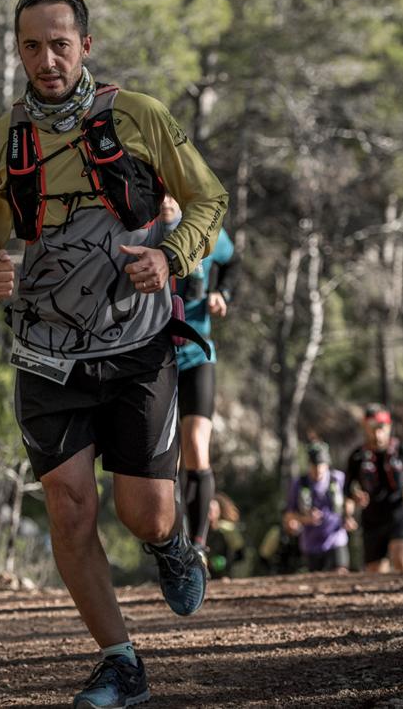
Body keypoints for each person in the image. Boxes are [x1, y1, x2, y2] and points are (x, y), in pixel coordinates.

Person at [0, 0, 228, 709]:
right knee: (69, 507)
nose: (46, 59)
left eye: (59, 44)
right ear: (18, 51)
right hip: (45, 347)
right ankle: (119, 662)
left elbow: (208, 200)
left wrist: (171, 258)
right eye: (31, 46)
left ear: (86, 45)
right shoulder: (5, 139)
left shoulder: (139, 117)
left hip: (137, 342)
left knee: (146, 513)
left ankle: (173, 548)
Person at [158, 195, 237, 553]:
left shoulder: (205, 234)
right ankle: (169, 541)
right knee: (162, 455)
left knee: (195, 445)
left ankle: (199, 545)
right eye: (159, 193)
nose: (165, 201)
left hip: (197, 353)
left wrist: (223, 292)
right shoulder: (144, 232)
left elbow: (233, 260)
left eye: (172, 193)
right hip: (154, 357)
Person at [346, 405, 403, 573]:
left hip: (398, 514)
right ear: (365, 427)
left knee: (402, 561)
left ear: (388, 427)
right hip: (372, 518)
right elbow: (347, 488)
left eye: (381, 428)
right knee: (375, 571)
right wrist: (353, 502)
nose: (377, 434)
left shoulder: (401, 451)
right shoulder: (357, 456)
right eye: (372, 428)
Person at [282, 440, 354, 573]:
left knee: (340, 575)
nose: (318, 470)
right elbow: (288, 515)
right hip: (311, 545)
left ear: (327, 464)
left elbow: (349, 501)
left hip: (336, 539)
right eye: (314, 466)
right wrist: (305, 519)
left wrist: (348, 516)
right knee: (319, 582)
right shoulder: (299, 483)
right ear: (309, 465)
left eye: (322, 465)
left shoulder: (338, 478)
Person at [204, 492, 246, 579]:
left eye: (213, 510)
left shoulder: (227, 529)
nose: (210, 513)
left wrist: (224, 562)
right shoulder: (197, 529)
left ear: (219, 511)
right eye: (208, 509)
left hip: (224, 573)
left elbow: (240, 554)